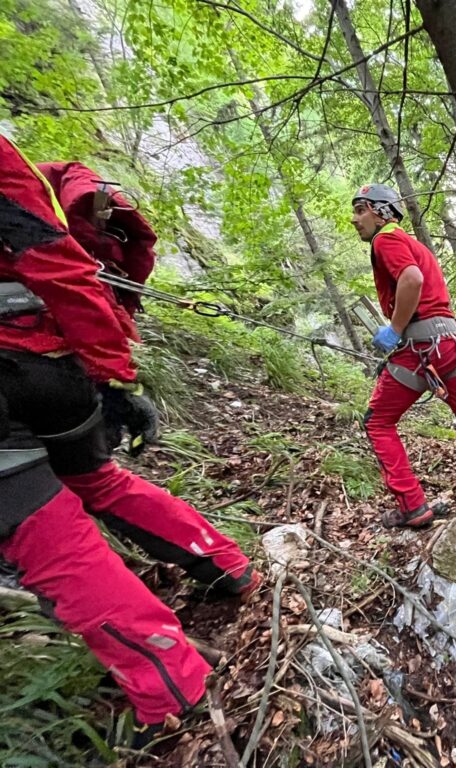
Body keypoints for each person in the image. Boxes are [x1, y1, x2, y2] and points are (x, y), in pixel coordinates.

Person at [0, 136, 259, 743]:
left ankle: (170, 683)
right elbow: (56, 263)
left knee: (37, 530)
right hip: (54, 363)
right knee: (96, 481)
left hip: (17, 368)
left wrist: (111, 372)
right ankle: (224, 563)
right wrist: (108, 372)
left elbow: (53, 255)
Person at [351, 184, 456, 528]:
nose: (354, 218)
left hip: (421, 347)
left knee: (377, 422)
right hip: (451, 343)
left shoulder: (386, 239)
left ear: (382, 211)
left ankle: (412, 506)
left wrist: (396, 330)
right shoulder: (416, 245)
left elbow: (412, 280)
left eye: (361, 209)